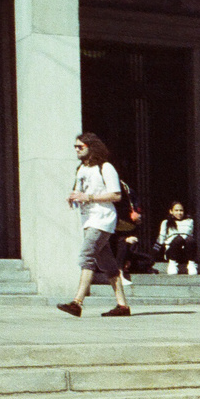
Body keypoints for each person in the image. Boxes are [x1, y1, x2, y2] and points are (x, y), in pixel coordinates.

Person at [56, 133, 130, 317]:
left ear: (91, 147)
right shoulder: (81, 169)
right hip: (89, 220)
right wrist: (74, 198)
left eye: (80, 146)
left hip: (103, 219)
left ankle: (77, 303)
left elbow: (116, 195)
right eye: (75, 146)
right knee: (108, 265)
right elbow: (80, 192)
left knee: (86, 256)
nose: (76, 150)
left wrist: (87, 197)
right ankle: (123, 306)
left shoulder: (106, 168)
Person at [156, 201, 198, 275]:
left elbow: (190, 235)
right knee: (178, 239)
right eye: (176, 210)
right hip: (172, 251)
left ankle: (191, 264)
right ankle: (172, 264)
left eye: (181, 210)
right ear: (171, 211)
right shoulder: (166, 222)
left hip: (185, 252)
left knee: (190, 240)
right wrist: (154, 253)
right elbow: (161, 237)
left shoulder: (189, 221)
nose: (179, 213)